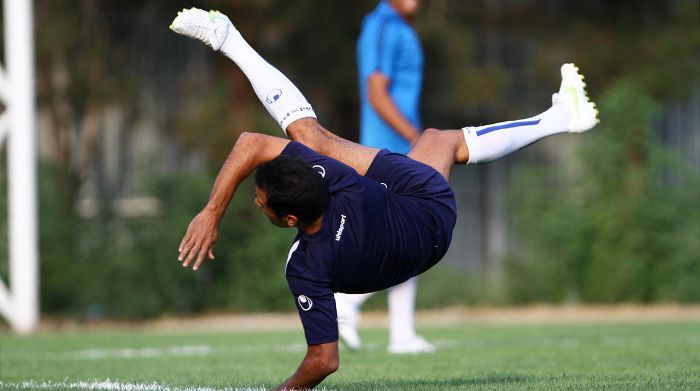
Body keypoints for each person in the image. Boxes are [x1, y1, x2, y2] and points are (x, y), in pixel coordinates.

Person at [170, 7, 598, 390]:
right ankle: (558, 116)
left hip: (420, 252)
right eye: (261, 201)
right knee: (433, 140)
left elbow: (324, 360)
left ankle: (227, 37)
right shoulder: (338, 182)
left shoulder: (303, 267)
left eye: (259, 200)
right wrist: (211, 213)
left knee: (362, 139)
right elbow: (251, 142)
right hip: (427, 207)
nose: (256, 202)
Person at [334, 0, 430, 354]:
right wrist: (414, 135)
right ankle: (347, 303)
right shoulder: (382, 25)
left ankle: (401, 334)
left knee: (410, 233)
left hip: (399, 149)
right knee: (409, 235)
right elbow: (376, 92)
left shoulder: (402, 27)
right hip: (386, 150)